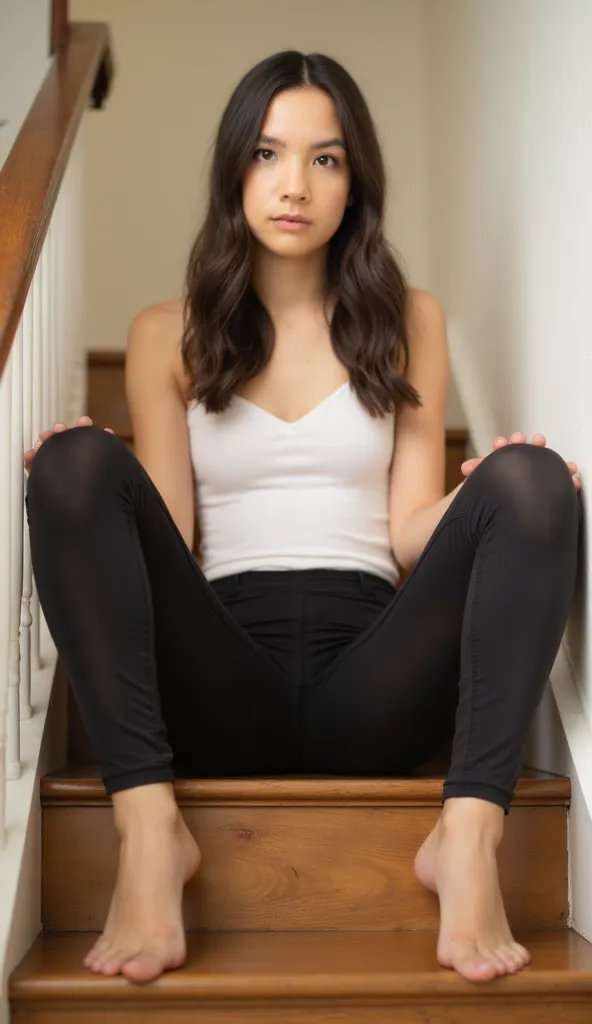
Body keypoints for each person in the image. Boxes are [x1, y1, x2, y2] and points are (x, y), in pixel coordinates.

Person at [23, 50, 581, 988]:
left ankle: (471, 837)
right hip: (221, 682)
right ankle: (150, 832)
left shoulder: (410, 319)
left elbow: (408, 528)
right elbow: (170, 526)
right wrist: (87, 480)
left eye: (324, 159)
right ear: (234, 168)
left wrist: (493, 492)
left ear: (354, 180)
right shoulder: (170, 332)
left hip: (375, 684)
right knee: (76, 459)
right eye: (269, 153)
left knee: (532, 478)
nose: (294, 184)